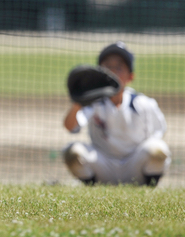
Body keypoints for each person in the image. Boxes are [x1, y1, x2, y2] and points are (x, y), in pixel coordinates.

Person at [62, 41, 171, 186]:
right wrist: (78, 101)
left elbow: (159, 132)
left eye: (119, 67)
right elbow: (70, 127)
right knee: (73, 152)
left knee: (158, 149)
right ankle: (93, 188)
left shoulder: (144, 103)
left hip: (135, 165)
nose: (112, 72)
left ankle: (148, 188)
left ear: (130, 77)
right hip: (103, 165)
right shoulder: (94, 102)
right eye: (107, 67)